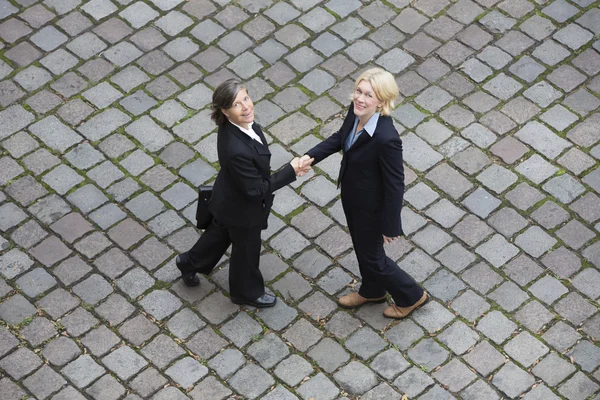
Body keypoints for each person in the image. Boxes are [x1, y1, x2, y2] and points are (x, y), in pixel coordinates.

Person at [299, 68, 427, 319]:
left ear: (381, 101)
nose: (360, 98)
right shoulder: (356, 113)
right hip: (353, 197)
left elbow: (395, 183)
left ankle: (411, 296)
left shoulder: (386, 138)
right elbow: (340, 138)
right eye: (359, 91)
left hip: (372, 207)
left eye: (369, 95)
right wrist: (310, 157)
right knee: (361, 247)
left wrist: (390, 225)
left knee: (374, 258)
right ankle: (373, 290)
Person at [176, 79, 311, 308]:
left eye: (246, 98)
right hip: (242, 210)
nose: (246, 107)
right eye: (237, 104)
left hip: (228, 200)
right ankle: (245, 292)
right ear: (225, 111)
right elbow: (256, 189)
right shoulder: (235, 148)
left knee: (218, 236)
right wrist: (292, 170)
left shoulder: (241, 126)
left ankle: (189, 262)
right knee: (247, 251)